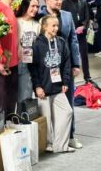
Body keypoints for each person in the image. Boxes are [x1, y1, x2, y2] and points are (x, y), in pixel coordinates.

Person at [41, 0, 82, 149]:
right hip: (45, 67)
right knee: (46, 104)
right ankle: (48, 140)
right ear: (47, 1)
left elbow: (73, 40)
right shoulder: (39, 15)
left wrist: (76, 64)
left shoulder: (67, 16)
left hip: (65, 66)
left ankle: (70, 136)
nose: (59, 1)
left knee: (68, 102)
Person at [29, 15, 74, 153]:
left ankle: (60, 145)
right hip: (43, 89)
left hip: (58, 87)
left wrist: (66, 81)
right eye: (53, 25)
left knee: (67, 112)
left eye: (57, 25)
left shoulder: (61, 42)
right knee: (46, 120)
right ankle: (48, 144)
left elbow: (67, 62)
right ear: (44, 27)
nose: (56, 28)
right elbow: (33, 67)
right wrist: (37, 86)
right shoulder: (37, 44)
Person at [62, 0, 91, 81]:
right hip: (70, 34)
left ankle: (87, 76)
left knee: (84, 55)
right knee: (70, 56)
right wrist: (72, 29)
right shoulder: (65, 3)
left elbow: (87, 16)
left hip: (81, 33)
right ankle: (69, 77)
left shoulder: (83, 2)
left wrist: (83, 26)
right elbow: (64, 18)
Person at [16, 0, 41, 104]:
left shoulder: (37, 25)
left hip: (28, 65)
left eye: (37, 6)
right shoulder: (16, 21)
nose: (35, 9)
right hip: (13, 64)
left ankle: (22, 114)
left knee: (25, 98)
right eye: (33, 6)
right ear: (25, 6)